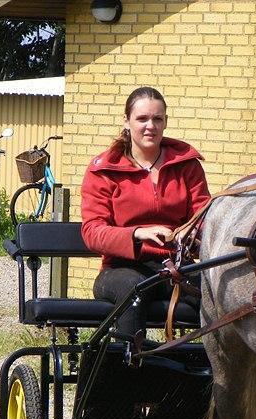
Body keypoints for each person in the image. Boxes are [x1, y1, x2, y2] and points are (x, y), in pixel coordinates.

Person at [81, 86, 210, 339]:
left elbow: (203, 218)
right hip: (120, 270)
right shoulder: (104, 170)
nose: (150, 126)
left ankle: (209, 373)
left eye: (157, 119)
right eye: (142, 119)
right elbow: (92, 232)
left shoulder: (187, 166)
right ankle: (130, 369)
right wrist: (138, 233)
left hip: (176, 265)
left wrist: (191, 234)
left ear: (165, 122)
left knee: (222, 289)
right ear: (127, 121)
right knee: (134, 288)